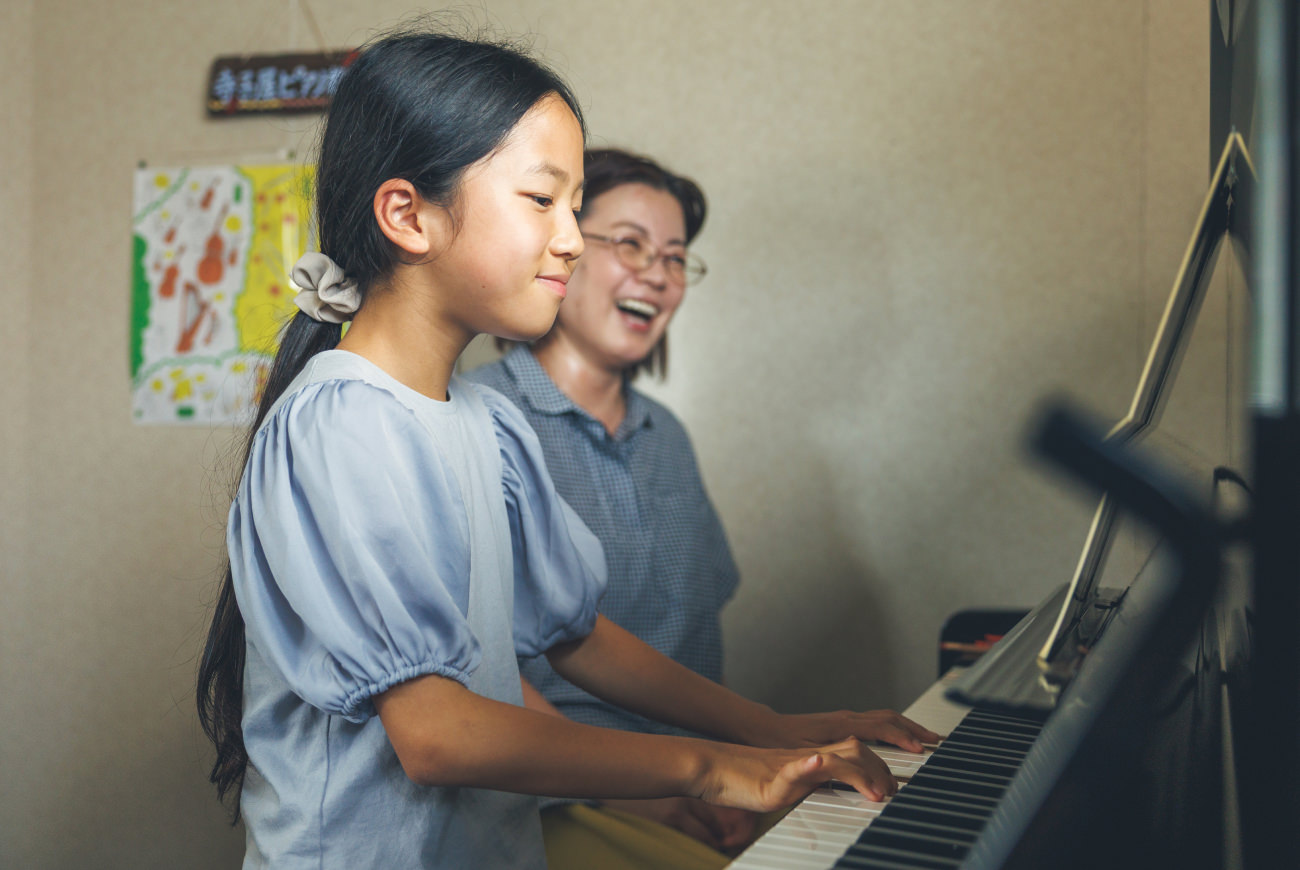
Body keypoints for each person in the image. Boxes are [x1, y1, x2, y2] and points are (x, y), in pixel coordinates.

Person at [195, 29, 937, 870]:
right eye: (542, 200)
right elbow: (437, 735)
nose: (573, 239)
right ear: (409, 215)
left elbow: (577, 634)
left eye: (576, 208)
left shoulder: (485, 425)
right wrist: (716, 769)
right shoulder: (339, 423)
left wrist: (777, 730)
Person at [467, 148, 761, 865]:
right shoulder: (479, 419)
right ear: (560, 245)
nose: (657, 274)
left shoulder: (669, 438)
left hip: (694, 786)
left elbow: (697, 646)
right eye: (629, 243)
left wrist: (735, 773)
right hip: (553, 797)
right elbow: (471, 675)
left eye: (674, 257)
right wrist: (636, 791)